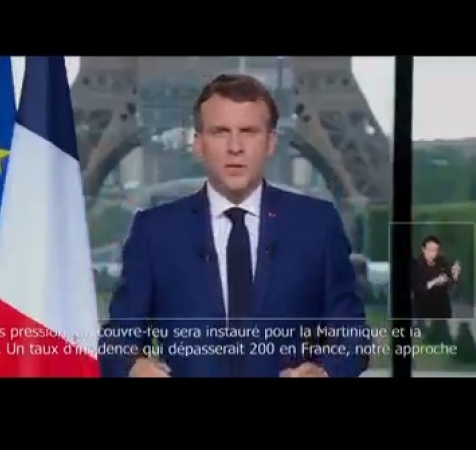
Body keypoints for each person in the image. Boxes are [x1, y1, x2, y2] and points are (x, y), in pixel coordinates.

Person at [99, 74, 369, 378]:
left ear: (270, 142)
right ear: (198, 144)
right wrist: (133, 366)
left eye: (249, 132)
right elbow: (117, 340)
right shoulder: (155, 231)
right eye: (220, 132)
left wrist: (324, 372)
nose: (235, 147)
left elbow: (352, 336)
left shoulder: (316, 226)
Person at [411, 235, 461, 320]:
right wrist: (434, 282)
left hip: (441, 309)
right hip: (422, 307)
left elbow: (451, 287)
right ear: (423, 249)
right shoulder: (416, 265)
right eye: (430, 250)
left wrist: (455, 276)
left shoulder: (443, 264)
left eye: (435, 250)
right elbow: (417, 288)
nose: (432, 253)